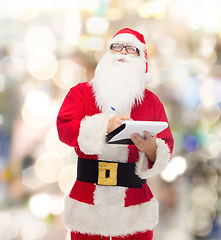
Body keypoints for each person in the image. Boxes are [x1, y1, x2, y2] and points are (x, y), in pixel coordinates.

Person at [56, 28, 174, 240]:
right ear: (107, 53)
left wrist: (152, 150)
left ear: (142, 60)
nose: (122, 53)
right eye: (116, 47)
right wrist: (104, 126)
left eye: (131, 49)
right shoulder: (81, 93)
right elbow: (65, 129)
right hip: (87, 201)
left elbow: (166, 144)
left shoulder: (152, 102)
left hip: (134, 205)